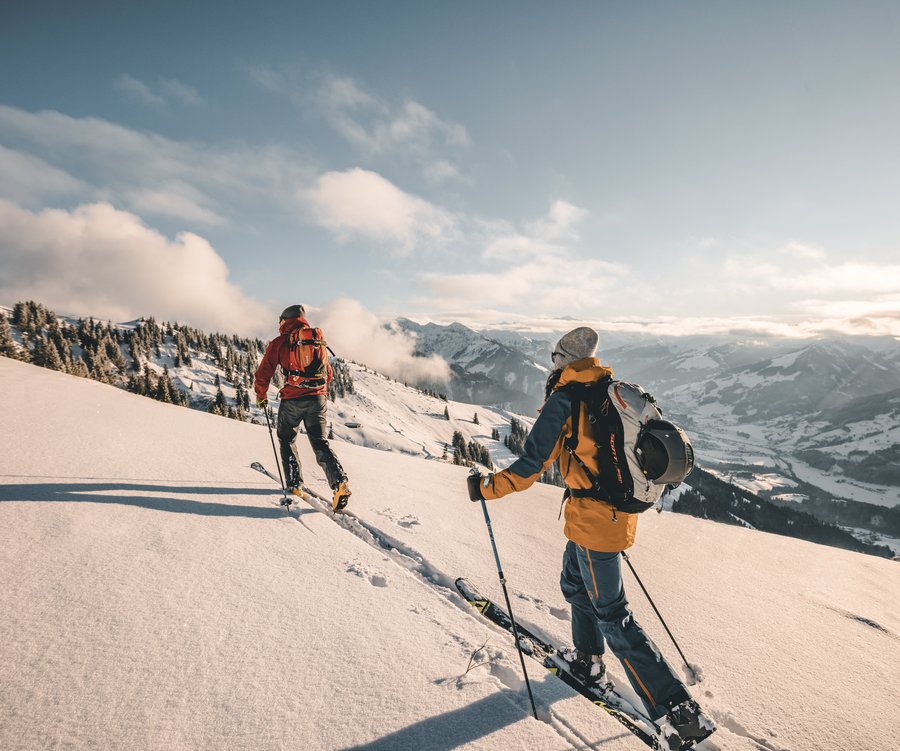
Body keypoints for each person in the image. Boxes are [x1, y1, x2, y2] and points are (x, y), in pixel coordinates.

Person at [465, 326, 714, 749]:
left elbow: (528, 468)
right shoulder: (607, 389)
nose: (551, 367)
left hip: (597, 521)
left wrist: (486, 487)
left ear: (562, 361)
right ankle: (588, 660)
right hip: (601, 517)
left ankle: (679, 713)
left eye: (553, 359)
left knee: (613, 615)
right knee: (575, 583)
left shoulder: (566, 399)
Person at [254, 304, 351, 511]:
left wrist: (260, 395)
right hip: (318, 400)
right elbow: (329, 374)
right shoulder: (316, 342)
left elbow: (264, 373)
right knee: (320, 443)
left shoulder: (280, 342)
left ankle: (295, 485)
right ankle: (340, 483)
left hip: (292, 400)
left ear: (284, 320)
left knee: (287, 439)